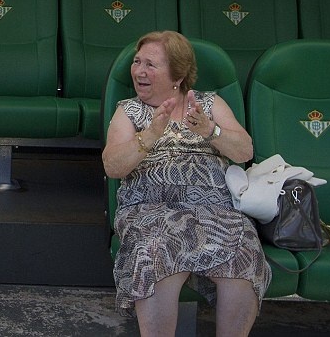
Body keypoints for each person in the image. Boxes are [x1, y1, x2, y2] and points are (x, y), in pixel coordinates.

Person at [102, 31, 269, 337]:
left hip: (215, 211)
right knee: (155, 248)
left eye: (151, 65)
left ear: (177, 74)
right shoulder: (129, 110)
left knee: (243, 244)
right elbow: (112, 166)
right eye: (137, 62)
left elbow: (244, 151)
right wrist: (148, 137)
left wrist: (211, 131)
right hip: (150, 211)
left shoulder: (209, 104)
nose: (139, 71)